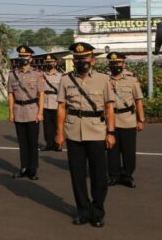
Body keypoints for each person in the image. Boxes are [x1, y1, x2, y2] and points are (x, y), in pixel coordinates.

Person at [56, 42, 116, 228]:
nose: (81, 61)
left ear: (92, 60)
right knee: (78, 175)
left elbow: (109, 108)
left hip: (97, 131)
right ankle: (82, 210)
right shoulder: (66, 80)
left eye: (84, 57)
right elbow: (61, 107)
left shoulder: (104, 79)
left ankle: (97, 212)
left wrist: (111, 132)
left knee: (99, 176)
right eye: (77, 58)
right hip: (74, 132)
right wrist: (59, 133)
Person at [106, 52, 145, 188]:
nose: (115, 65)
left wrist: (141, 120)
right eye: (112, 63)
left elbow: (138, 101)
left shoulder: (131, 80)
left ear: (123, 64)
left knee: (128, 150)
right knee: (112, 150)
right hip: (111, 120)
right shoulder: (105, 80)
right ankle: (114, 176)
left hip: (128, 119)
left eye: (118, 63)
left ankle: (127, 175)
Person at [7, 46, 45, 180]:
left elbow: (41, 95)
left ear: (30, 58)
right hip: (18, 111)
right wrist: (11, 113)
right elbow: (11, 95)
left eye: (25, 57)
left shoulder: (37, 74)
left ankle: (33, 169)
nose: (23, 59)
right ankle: (23, 168)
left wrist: (40, 112)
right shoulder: (12, 75)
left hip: (32, 111)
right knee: (22, 143)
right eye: (21, 57)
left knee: (32, 143)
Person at [40, 54, 63, 152]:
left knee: (57, 125)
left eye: (51, 62)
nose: (49, 63)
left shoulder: (61, 75)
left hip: (56, 103)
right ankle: (48, 144)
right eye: (47, 62)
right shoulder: (41, 75)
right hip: (45, 103)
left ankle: (57, 144)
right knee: (47, 126)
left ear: (55, 63)